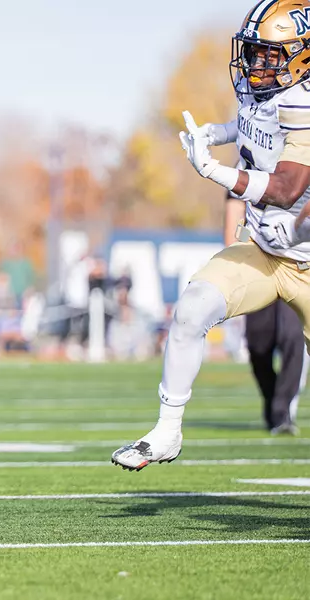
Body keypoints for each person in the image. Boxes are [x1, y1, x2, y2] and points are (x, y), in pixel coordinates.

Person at [114, 1, 310, 470]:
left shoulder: (304, 103)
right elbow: (250, 126)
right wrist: (214, 133)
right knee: (191, 309)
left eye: (270, 54)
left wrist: (215, 171)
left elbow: (286, 189)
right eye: (254, 52)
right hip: (264, 251)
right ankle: (167, 432)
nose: (256, 63)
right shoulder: (262, 93)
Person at [224, 189, 307, 434]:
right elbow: (234, 220)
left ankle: (283, 413)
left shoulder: (301, 170)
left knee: (293, 338)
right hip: (259, 266)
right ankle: (272, 404)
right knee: (258, 344)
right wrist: (244, 247)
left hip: (297, 265)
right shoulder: (246, 169)